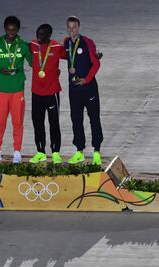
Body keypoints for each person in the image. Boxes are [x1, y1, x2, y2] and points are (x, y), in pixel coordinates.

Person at [0, 15, 32, 164]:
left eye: (14, 29)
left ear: (18, 29)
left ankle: (17, 151)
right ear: (5, 29)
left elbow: (33, 62)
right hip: (2, 90)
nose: (11, 32)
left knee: (17, 122)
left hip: (17, 89)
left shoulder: (23, 46)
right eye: (8, 29)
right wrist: (0, 70)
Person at [63, 16, 103, 166]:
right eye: (69, 27)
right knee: (76, 119)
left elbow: (96, 63)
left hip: (89, 88)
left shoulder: (87, 42)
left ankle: (97, 151)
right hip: (74, 90)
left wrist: (87, 79)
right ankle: (79, 151)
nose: (71, 30)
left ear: (79, 28)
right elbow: (63, 55)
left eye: (74, 27)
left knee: (94, 119)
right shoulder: (66, 43)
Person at [28, 24, 65, 164]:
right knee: (37, 122)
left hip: (51, 92)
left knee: (53, 123)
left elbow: (73, 54)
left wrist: (94, 55)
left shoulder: (56, 47)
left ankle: (55, 152)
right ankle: (40, 151)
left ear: (49, 35)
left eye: (42, 35)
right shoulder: (32, 45)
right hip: (36, 92)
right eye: (38, 34)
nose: (39, 37)